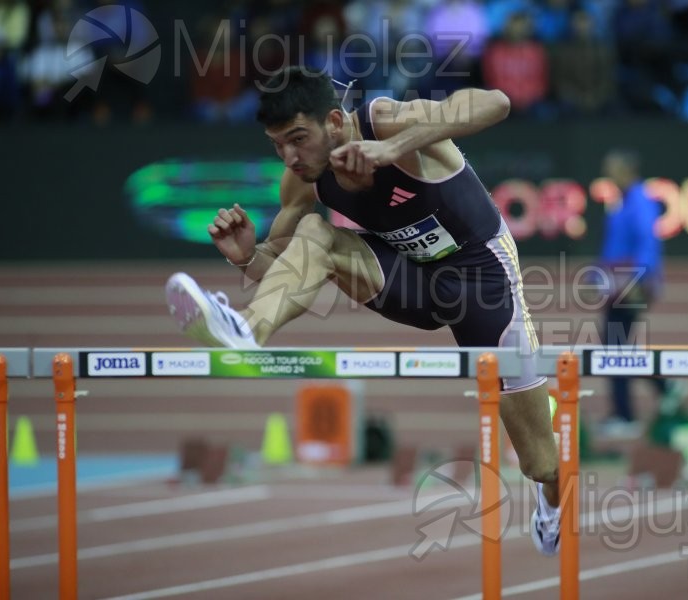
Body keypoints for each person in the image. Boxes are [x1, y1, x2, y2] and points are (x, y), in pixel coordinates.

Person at [165, 66, 563, 556]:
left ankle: (551, 496)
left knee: (541, 462)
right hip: (410, 281)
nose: (290, 156)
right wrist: (248, 256)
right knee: (316, 236)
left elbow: (497, 102)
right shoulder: (302, 181)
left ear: (334, 121)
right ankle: (244, 331)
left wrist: (392, 150)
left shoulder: (386, 121)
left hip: (483, 286)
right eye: (277, 145)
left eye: (297, 138)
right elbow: (281, 269)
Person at [598, 149, 685, 437]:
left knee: (615, 345)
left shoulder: (639, 201)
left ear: (627, 170)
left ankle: (625, 414)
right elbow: (615, 246)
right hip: (617, 281)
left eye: (613, 169)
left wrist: (639, 280)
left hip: (630, 283)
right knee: (617, 345)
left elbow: (648, 243)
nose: (609, 175)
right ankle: (663, 387)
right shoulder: (622, 202)